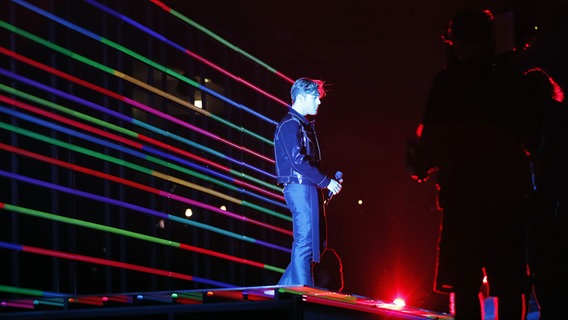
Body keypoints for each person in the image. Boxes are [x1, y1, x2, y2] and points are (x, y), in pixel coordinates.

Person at [406, 9, 536, 319]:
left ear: (456, 40)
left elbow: (431, 144)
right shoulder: (508, 79)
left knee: (464, 285)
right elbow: (530, 136)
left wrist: (420, 163)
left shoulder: (448, 83)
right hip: (508, 198)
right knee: (509, 284)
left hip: (463, 199)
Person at [274, 77, 342, 287]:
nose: (319, 102)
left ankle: (282, 292)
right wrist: (325, 181)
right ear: (302, 97)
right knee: (305, 243)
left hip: (308, 187)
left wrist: (325, 182)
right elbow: (297, 161)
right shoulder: (290, 125)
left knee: (314, 245)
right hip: (300, 188)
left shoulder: (300, 125)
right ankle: (303, 295)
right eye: (315, 97)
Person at [524, 67, 568, 319]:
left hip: (547, 209)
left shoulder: (539, 120)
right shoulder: (559, 115)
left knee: (545, 275)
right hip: (556, 207)